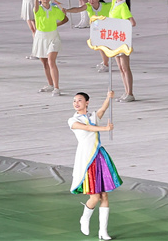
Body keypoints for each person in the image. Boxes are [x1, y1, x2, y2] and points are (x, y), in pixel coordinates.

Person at [69, 91, 120, 239]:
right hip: (86, 159)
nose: (76, 103)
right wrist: (105, 128)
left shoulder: (92, 116)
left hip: (99, 156)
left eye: (79, 100)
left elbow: (102, 110)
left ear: (87, 102)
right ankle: (84, 218)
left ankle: (103, 231)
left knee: (104, 195)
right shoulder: (72, 120)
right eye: (74, 101)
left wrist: (108, 98)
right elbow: (88, 128)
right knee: (95, 196)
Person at [105, 0, 136, 102]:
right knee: (120, 67)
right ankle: (125, 91)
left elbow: (132, 22)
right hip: (114, 40)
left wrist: (121, 28)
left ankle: (130, 93)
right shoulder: (115, 2)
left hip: (122, 40)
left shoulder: (123, 7)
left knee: (125, 67)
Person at [31, 0, 68, 95]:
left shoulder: (55, 10)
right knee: (45, 63)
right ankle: (50, 84)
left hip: (53, 37)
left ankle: (56, 88)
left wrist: (56, 25)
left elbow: (65, 19)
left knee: (51, 61)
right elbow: (36, 6)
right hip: (41, 37)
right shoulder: (37, 9)